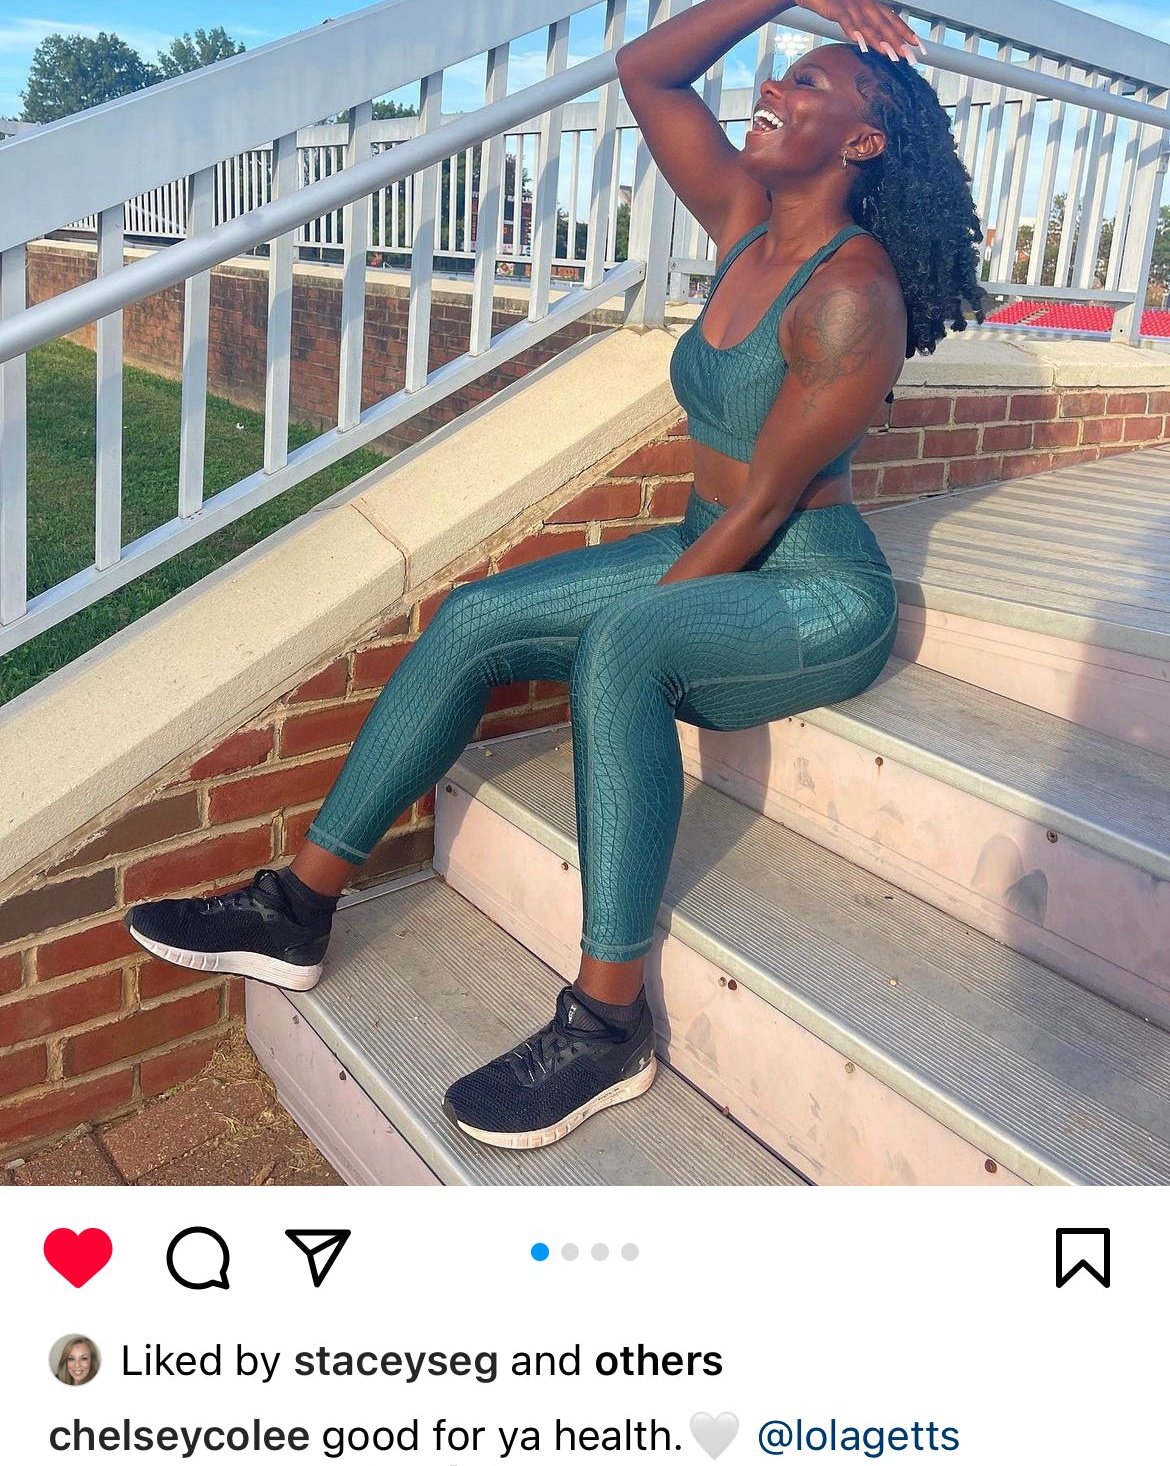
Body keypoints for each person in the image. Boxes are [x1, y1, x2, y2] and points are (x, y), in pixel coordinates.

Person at [126, 0, 989, 1153]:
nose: (773, 89)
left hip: (812, 587)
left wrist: (636, 629)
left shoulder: (851, 292)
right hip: (712, 538)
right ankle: (298, 907)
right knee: (476, 615)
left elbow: (766, 508)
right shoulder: (746, 223)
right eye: (781, 72)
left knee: (624, 643)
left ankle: (607, 1024)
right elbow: (648, 71)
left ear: (863, 143)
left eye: (809, 85)